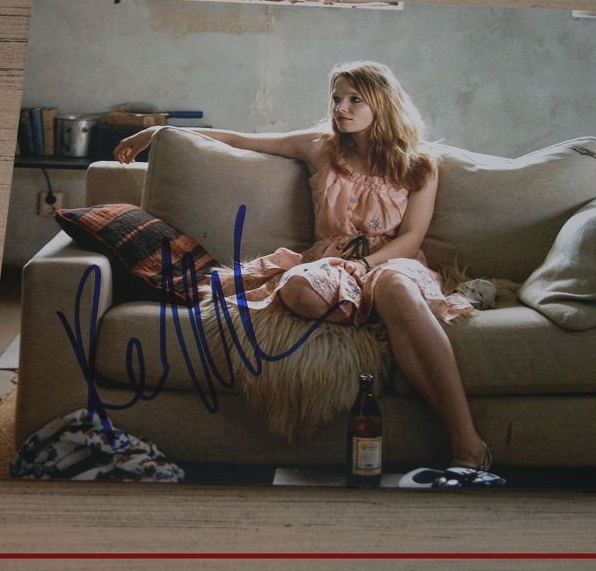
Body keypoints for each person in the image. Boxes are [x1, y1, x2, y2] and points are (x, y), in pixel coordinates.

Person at [113, 60, 493, 472]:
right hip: (333, 262)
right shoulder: (320, 146)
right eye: (336, 98)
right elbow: (239, 139)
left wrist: (365, 264)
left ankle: (467, 441)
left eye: (354, 99)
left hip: (391, 259)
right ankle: (384, 316)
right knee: (297, 288)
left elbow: (412, 236)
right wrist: (157, 132)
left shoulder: (419, 164)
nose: (341, 107)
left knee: (395, 286)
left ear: (382, 103)